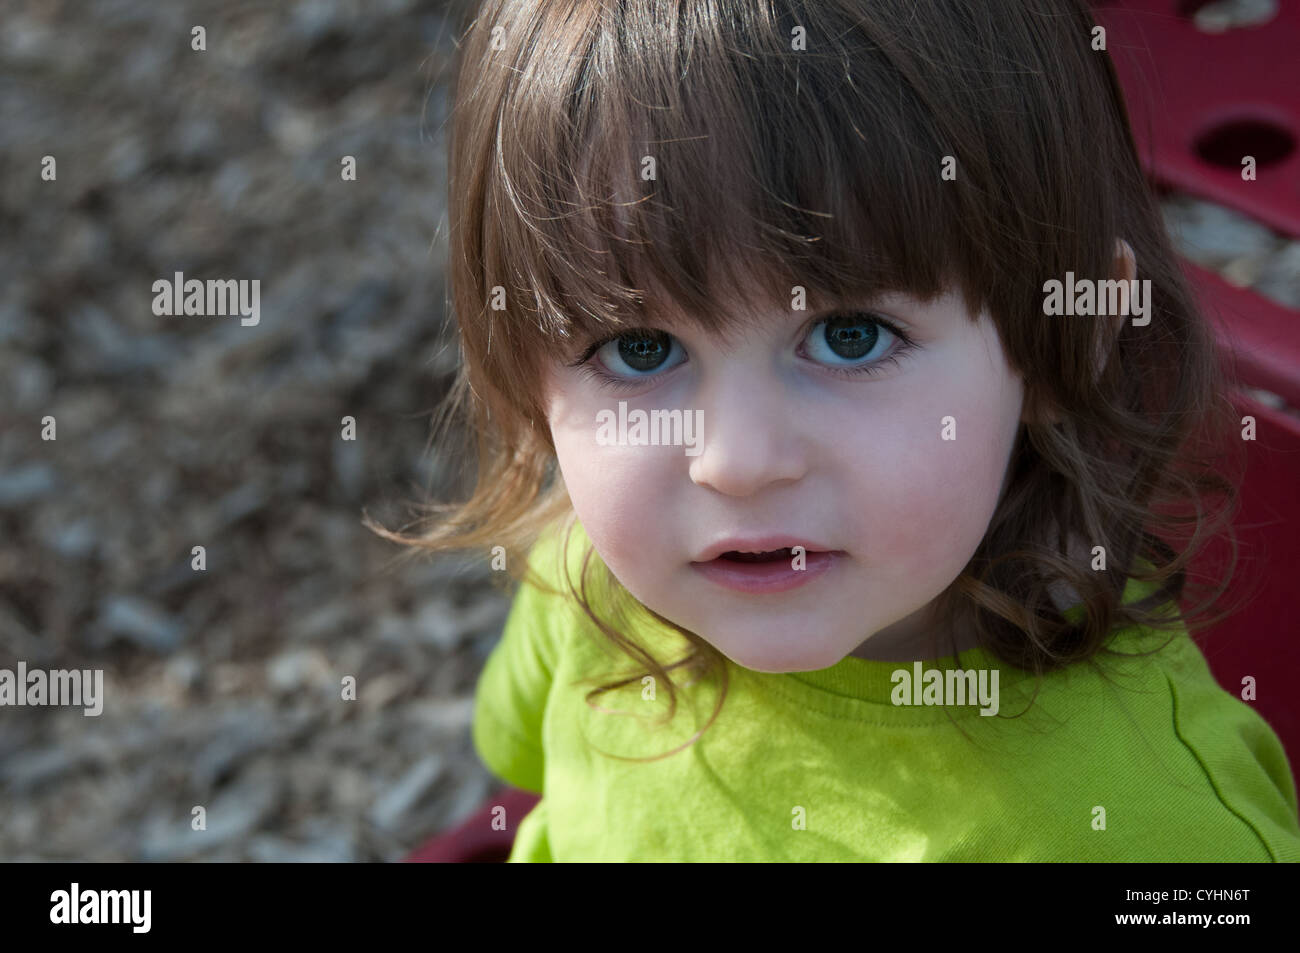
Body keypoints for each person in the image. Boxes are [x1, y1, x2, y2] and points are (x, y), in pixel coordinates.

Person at [369, 0, 1300, 860]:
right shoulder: (584, 576)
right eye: (641, 348)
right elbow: (528, 776)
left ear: (1068, 339)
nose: (736, 463)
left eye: (848, 337)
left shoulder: (1157, 830)